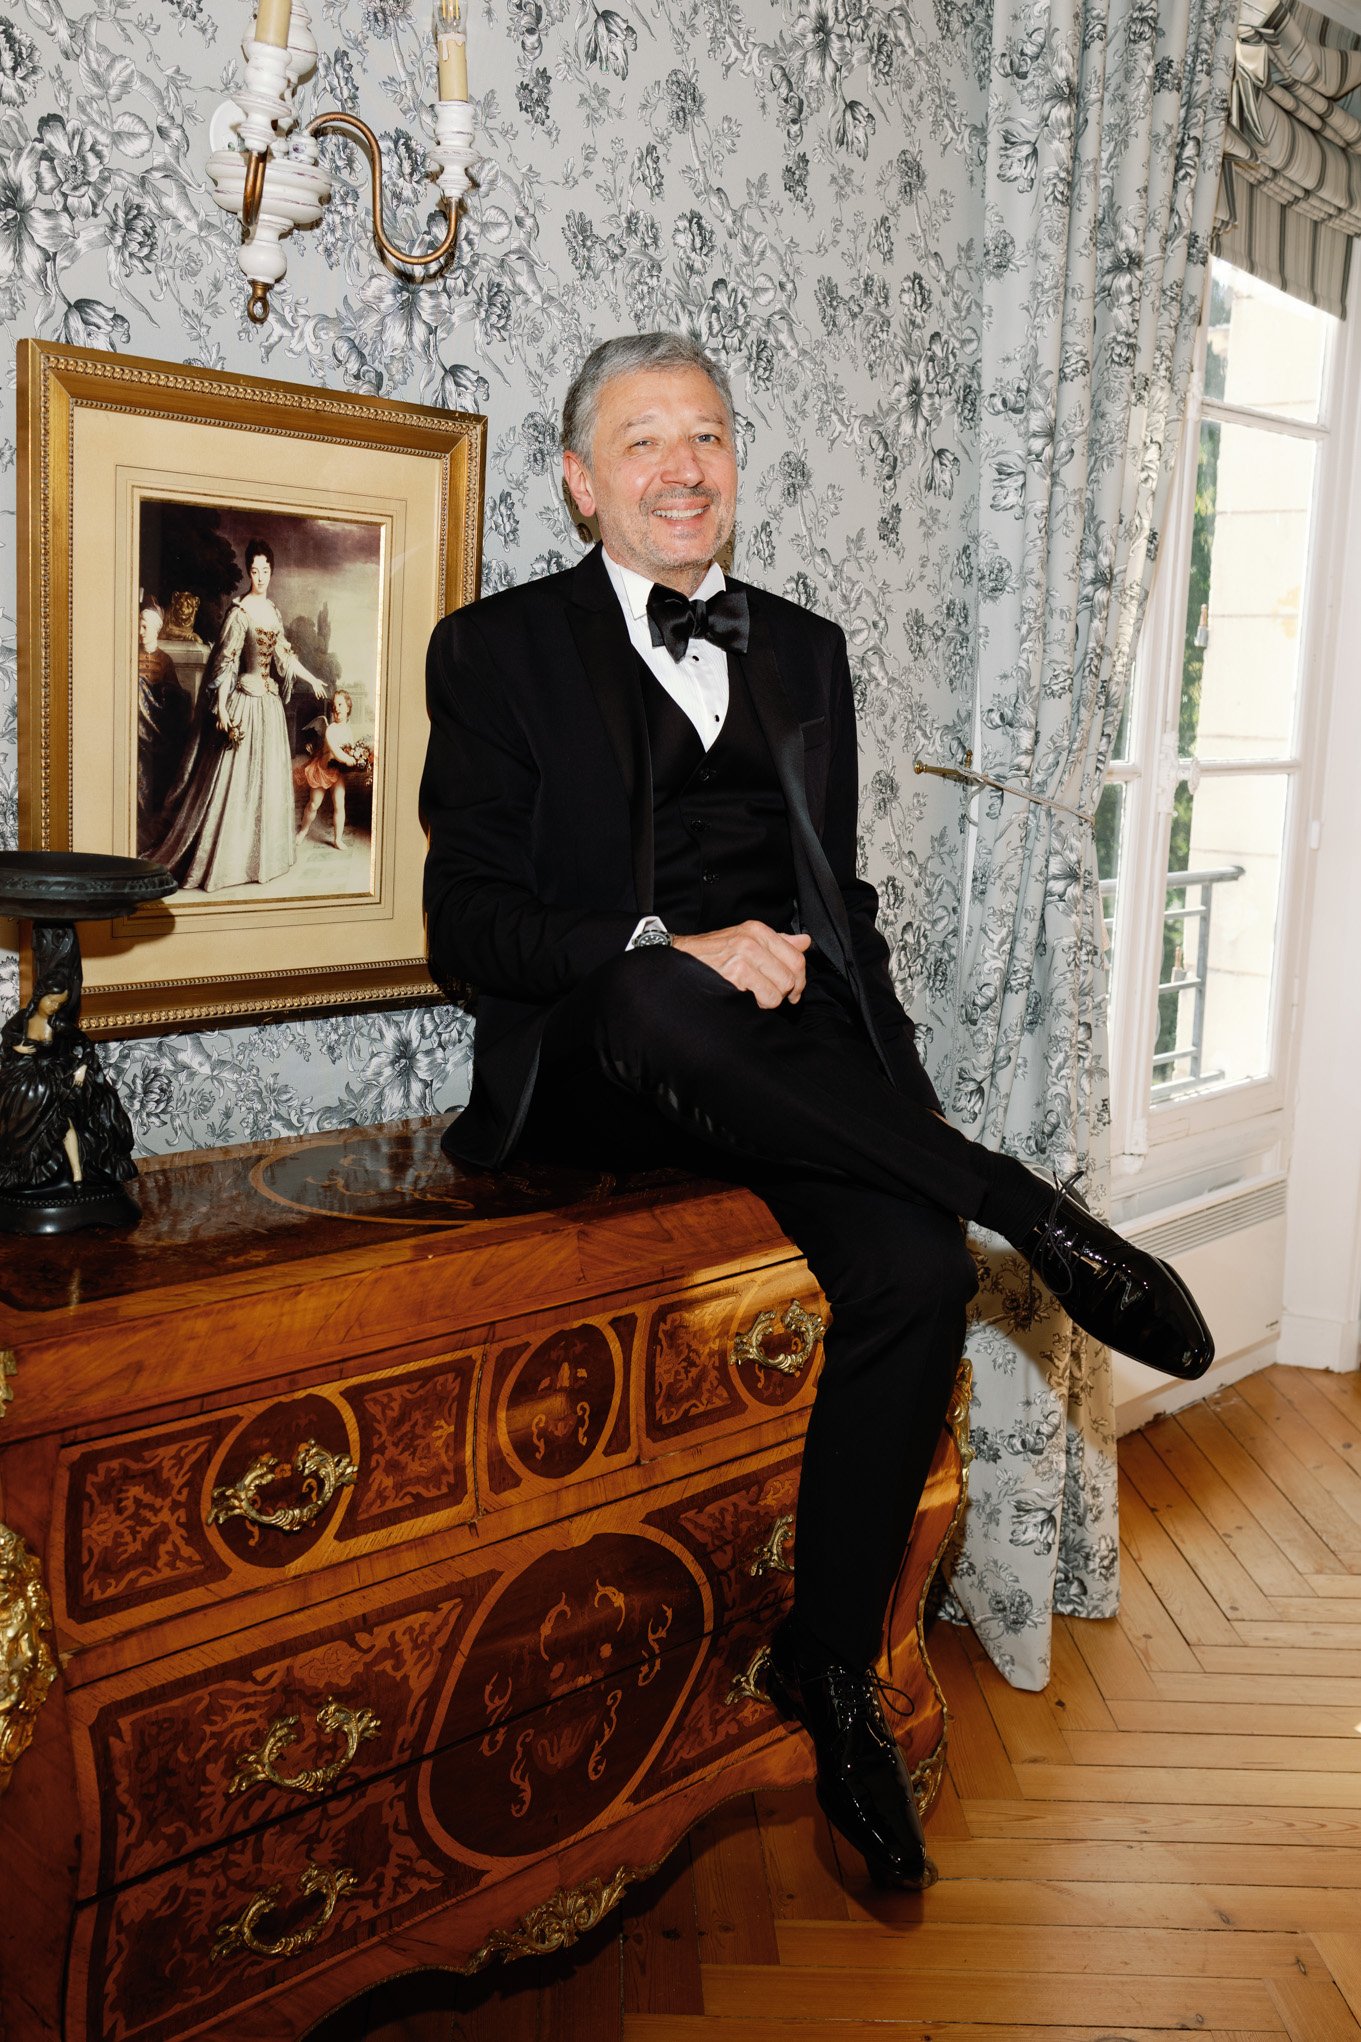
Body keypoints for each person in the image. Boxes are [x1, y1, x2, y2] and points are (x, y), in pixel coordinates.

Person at [420, 332, 1213, 1891]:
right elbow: (471, 935)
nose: (682, 465)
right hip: (602, 1055)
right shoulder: (493, 649)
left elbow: (834, 912)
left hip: (777, 1063)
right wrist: (665, 944)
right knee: (664, 993)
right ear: (582, 483)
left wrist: (895, 1110)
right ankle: (1033, 1208)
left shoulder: (802, 647)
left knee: (915, 1267)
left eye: (706, 434)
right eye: (642, 440)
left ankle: (831, 1664)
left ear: (734, 464)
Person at [153, 537, 328, 891]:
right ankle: (228, 860)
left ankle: (262, 858)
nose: (260, 576)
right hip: (244, 703)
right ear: (248, 572)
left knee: (264, 784)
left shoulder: (274, 613)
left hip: (270, 708)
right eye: (254, 570)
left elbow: (285, 659)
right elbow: (224, 665)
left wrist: (314, 678)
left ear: (271, 572)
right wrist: (220, 709)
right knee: (234, 787)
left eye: (266, 570)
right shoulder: (240, 613)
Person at [0, 979, 135, 1192]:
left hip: (55, 1074)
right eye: (51, 1001)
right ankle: (18, 1161)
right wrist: (16, 1045)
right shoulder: (22, 1018)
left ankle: (77, 1174)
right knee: (15, 1100)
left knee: (62, 1119)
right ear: (40, 996)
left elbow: (85, 1044)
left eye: (59, 1004)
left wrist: (82, 1068)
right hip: (29, 1072)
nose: (54, 1007)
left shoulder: (58, 1025)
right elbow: (7, 1034)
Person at [135, 600, 192, 854]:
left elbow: (176, 696)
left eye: (145, 626)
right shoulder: (130, 654)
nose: (140, 631)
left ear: (156, 629)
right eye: (139, 625)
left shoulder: (165, 660)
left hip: (154, 728)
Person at [296, 689, 365, 849]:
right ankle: (303, 831)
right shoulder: (331, 729)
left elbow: (349, 748)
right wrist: (348, 759)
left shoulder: (348, 729)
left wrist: (357, 756)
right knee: (313, 804)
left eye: (340, 705)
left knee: (339, 804)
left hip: (337, 772)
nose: (337, 709)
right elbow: (336, 750)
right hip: (323, 770)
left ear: (348, 707)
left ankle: (338, 839)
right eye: (334, 706)